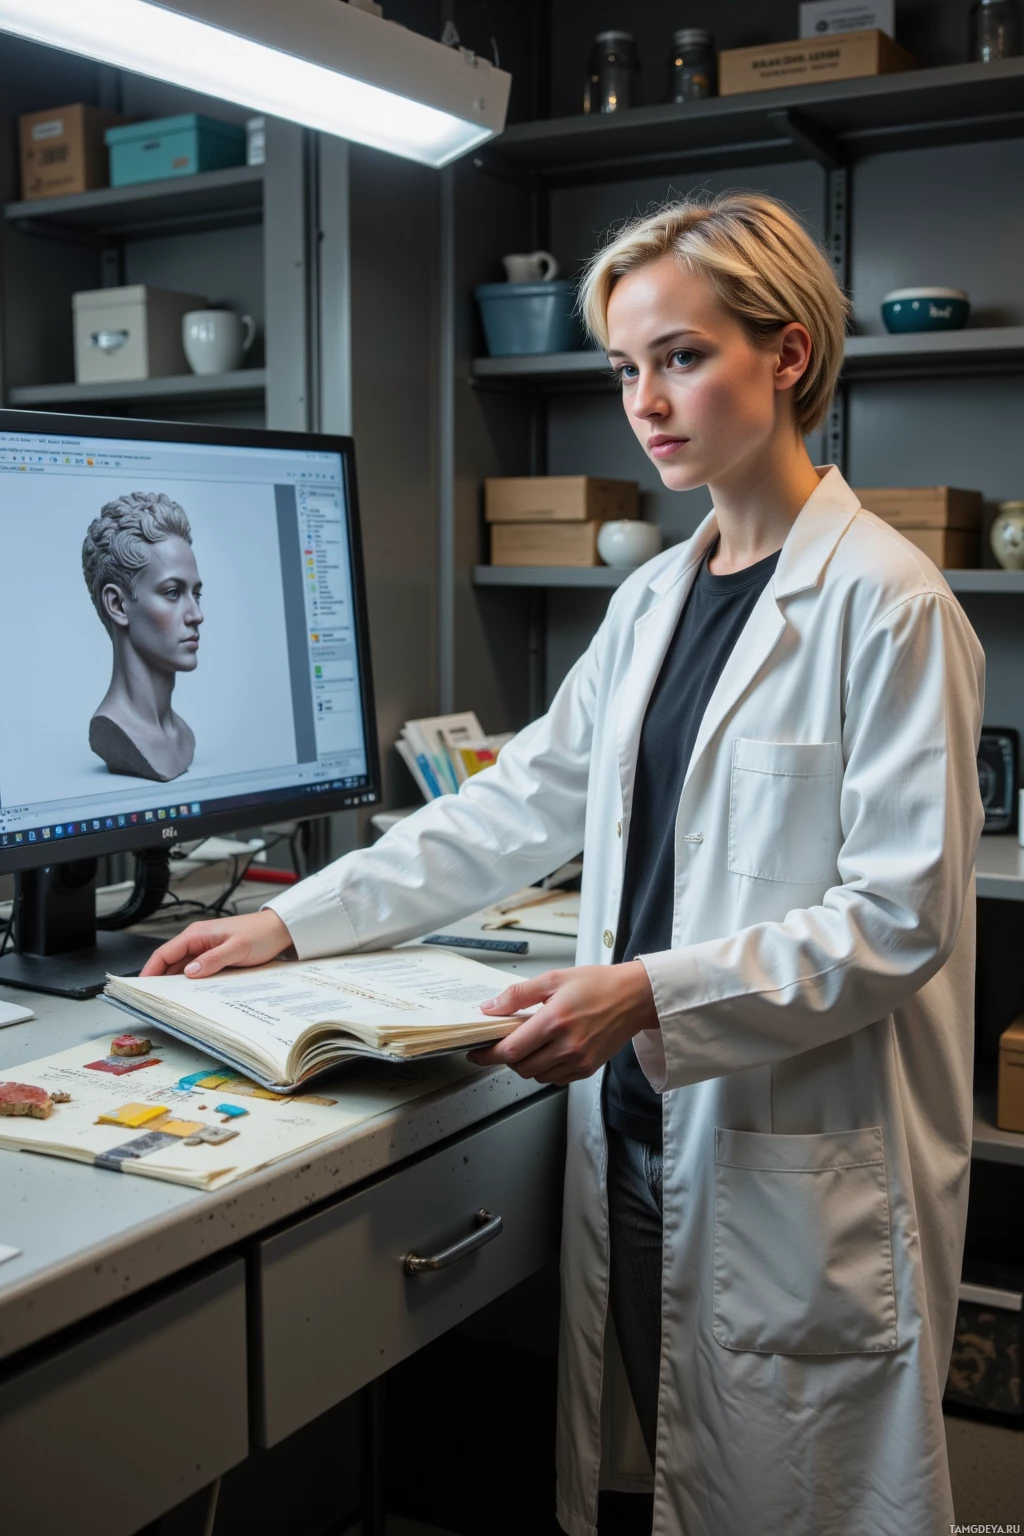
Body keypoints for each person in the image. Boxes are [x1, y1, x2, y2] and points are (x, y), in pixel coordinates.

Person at [142, 193, 985, 1536]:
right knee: (665, 1481)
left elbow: (894, 922)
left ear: (786, 355)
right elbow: (516, 803)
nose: (646, 401)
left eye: (683, 356)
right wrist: (294, 924)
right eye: (624, 367)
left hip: (782, 1155)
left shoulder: (890, 606)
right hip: (645, 1130)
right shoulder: (654, 594)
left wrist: (643, 991)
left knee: (794, 1500)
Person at [82, 491, 203, 782]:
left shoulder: (183, 735)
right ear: (117, 605)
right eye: (172, 593)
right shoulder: (113, 730)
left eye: (196, 594)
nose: (196, 614)